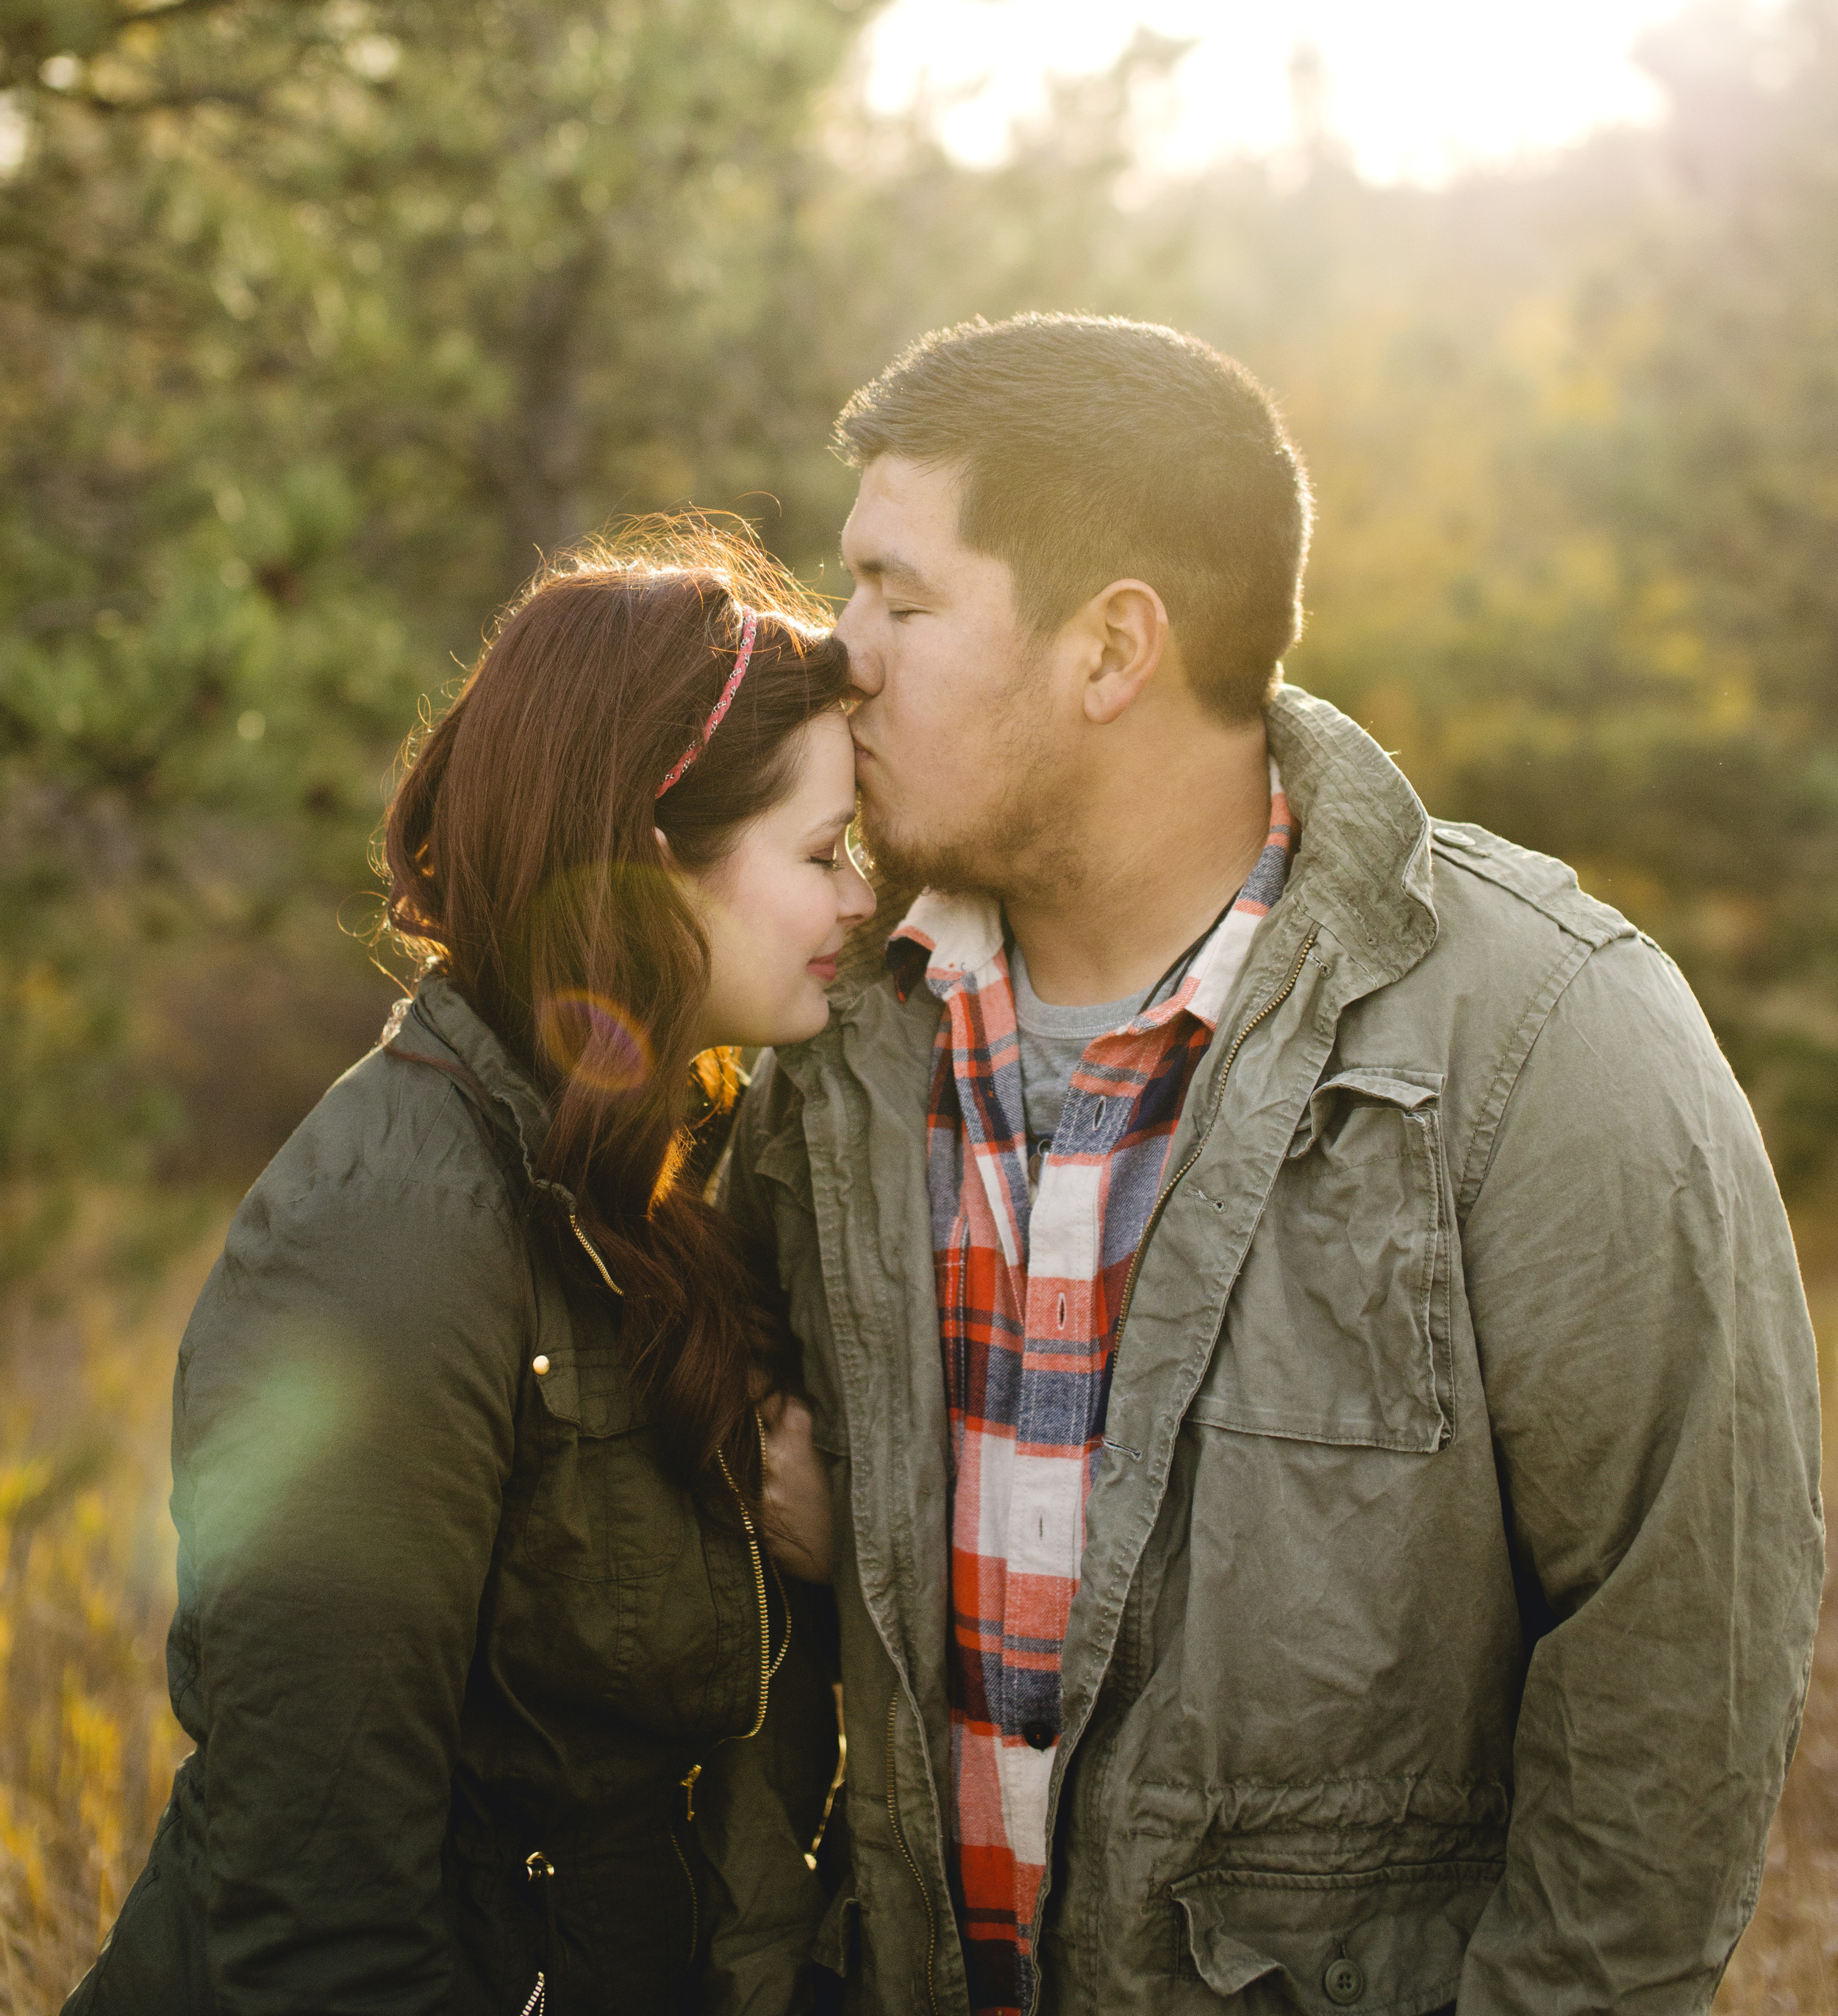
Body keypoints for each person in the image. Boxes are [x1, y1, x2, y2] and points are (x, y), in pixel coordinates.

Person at [724, 312, 1825, 2016]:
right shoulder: (833, 1036)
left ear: (1110, 651)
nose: (837, 649)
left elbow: (1667, 1700)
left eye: (900, 596)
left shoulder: (1548, 1036)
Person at [65, 526, 871, 2016]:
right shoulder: (387, 1235)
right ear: (649, 862)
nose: (856, 900)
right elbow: (313, 1910)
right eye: (822, 854)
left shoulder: (652, 1153)